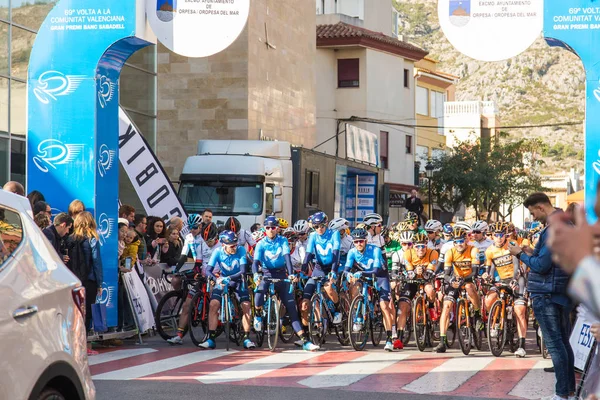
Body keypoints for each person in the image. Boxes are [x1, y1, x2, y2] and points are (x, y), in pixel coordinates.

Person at [509, 192, 575, 400]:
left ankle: (562, 394)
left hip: (547, 294)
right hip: (559, 291)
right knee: (563, 343)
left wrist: (519, 253)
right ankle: (568, 392)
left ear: (541, 207)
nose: (533, 217)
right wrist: (531, 252)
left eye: (532, 212)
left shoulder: (553, 228)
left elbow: (542, 266)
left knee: (556, 346)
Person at [252, 216, 319, 351]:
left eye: (273, 228)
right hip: (266, 274)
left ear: (277, 229)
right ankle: (258, 314)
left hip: (281, 275)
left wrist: (292, 274)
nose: (271, 230)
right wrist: (255, 275)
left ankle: (305, 341)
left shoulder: (282, 240)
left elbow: (287, 258)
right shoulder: (261, 244)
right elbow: (255, 262)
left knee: (291, 307)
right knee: (259, 291)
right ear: (265, 229)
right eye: (268, 228)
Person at [199, 231, 256, 350]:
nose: (235, 247)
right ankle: (211, 338)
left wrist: (228, 278)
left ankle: (246, 338)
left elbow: (242, 271)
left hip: (238, 280)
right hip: (222, 280)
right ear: (223, 244)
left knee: (246, 305)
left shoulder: (240, 250)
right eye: (232, 246)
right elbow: (209, 270)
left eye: (236, 244)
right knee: (214, 304)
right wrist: (216, 279)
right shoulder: (217, 252)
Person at [344, 228, 395, 351]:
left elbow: (376, 271)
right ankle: (359, 315)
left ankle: (389, 339)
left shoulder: (375, 250)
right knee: (354, 287)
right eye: (356, 242)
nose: (359, 244)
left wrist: (360, 273)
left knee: (384, 307)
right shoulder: (352, 252)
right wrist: (348, 275)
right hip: (363, 275)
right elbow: (346, 269)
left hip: (380, 277)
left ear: (366, 241)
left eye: (361, 241)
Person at [482, 222, 528, 358]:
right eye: (496, 235)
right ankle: (495, 321)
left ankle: (521, 345)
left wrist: (514, 279)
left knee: (519, 310)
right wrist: (487, 277)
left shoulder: (512, 245)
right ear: (492, 236)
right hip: (502, 279)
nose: (499, 238)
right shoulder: (489, 251)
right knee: (489, 299)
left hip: (516, 277)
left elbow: (515, 266)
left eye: (501, 235)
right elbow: (490, 270)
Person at [434, 225, 481, 353]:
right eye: (456, 242)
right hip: (456, 279)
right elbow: (447, 273)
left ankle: (477, 314)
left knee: (470, 287)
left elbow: (475, 272)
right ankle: (442, 341)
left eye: (461, 241)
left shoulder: (473, 250)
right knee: (447, 305)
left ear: (466, 240)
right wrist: (451, 281)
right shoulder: (450, 252)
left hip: (469, 278)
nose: (459, 244)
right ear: (453, 243)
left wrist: (464, 280)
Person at [167, 214, 210, 345]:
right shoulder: (189, 237)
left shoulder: (206, 238)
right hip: (197, 267)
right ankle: (179, 335)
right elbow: (183, 256)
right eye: (190, 227)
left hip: (208, 269)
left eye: (195, 227)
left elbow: (205, 260)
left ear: (201, 226)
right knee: (186, 304)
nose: (192, 230)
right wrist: (177, 270)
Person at [300, 212, 342, 335]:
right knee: (305, 301)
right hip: (318, 268)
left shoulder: (334, 234)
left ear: (326, 224)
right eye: (316, 226)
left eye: (322, 226)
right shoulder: (313, 236)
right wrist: (303, 271)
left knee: (329, 289)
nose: (319, 229)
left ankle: (337, 310)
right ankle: (306, 335)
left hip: (332, 266)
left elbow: (336, 253)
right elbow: (308, 254)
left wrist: (334, 271)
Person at [397, 232, 438, 350]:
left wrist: (423, 271)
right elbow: (409, 273)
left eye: (423, 246)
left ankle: (430, 307)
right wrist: (415, 272)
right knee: (403, 305)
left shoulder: (433, 253)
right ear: (413, 246)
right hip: (412, 282)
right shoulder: (408, 254)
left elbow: (430, 273)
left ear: (426, 245)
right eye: (417, 246)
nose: (420, 249)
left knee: (430, 290)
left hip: (426, 280)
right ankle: (399, 338)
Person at [67, 211, 103, 334]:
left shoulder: (70, 238)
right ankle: (84, 342)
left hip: (73, 279)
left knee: (74, 311)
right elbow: (96, 262)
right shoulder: (93, 239)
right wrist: (99, 283)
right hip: (89, 279)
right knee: (87, 312)